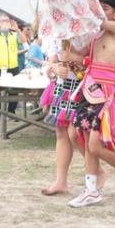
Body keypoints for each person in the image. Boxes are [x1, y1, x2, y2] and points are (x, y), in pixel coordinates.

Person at [67, 0, 115, 207]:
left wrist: (79, 14)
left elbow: (98, 22)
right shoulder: (96, 35)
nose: (100, 12)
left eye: (105, 8)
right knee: (78, 136)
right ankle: (91, 190)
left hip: (105, 92)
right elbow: (78, 56)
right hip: (88, 87)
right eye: (99, 8)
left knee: (95, 144)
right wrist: (65, 42)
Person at [39, 41, 85, 196]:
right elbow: (50, 62)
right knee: (61, 133)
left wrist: (73, 57)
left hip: (82, 86)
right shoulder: (54, 33)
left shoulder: (86, 30)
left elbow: (93, 59)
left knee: (76, 134)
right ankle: (60, 181)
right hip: (61, 85)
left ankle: (96, 171)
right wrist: (55, 68)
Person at [0, 15, 21, 112]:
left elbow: (23, 42)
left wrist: (17, 30)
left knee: (15, 91)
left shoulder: (14, 35)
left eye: (7, 21)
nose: (5, 23)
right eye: (2, 21)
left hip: (14, 67)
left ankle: (11, 111)